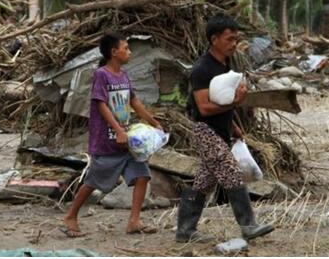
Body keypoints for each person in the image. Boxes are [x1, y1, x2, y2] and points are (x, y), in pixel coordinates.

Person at [176, 14, 274, 243]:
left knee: (203, 182)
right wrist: (236, 103)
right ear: (214, 39)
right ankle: (248, 225)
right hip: (205, 131)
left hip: (222, 131)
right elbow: (204, 108)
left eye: (235, 39)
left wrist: (234, 125)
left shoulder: (225, 65)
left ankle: (185, 230)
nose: (233, 44)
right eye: (229, 39)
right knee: (230, 170)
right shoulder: (202, 69)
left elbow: (222, 102)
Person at [62, 32, 162, 238]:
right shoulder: (102, 74)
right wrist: (117, 130)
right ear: (113, 52)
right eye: (126, 48)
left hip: (127, 141)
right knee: (94, 181)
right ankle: (71, 215)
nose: (129, 52)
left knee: (142, 176)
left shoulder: (124, 75)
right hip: (107, 140)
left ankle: (134, 221)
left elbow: (134, 102)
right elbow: (101, 104)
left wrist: (153, 122)